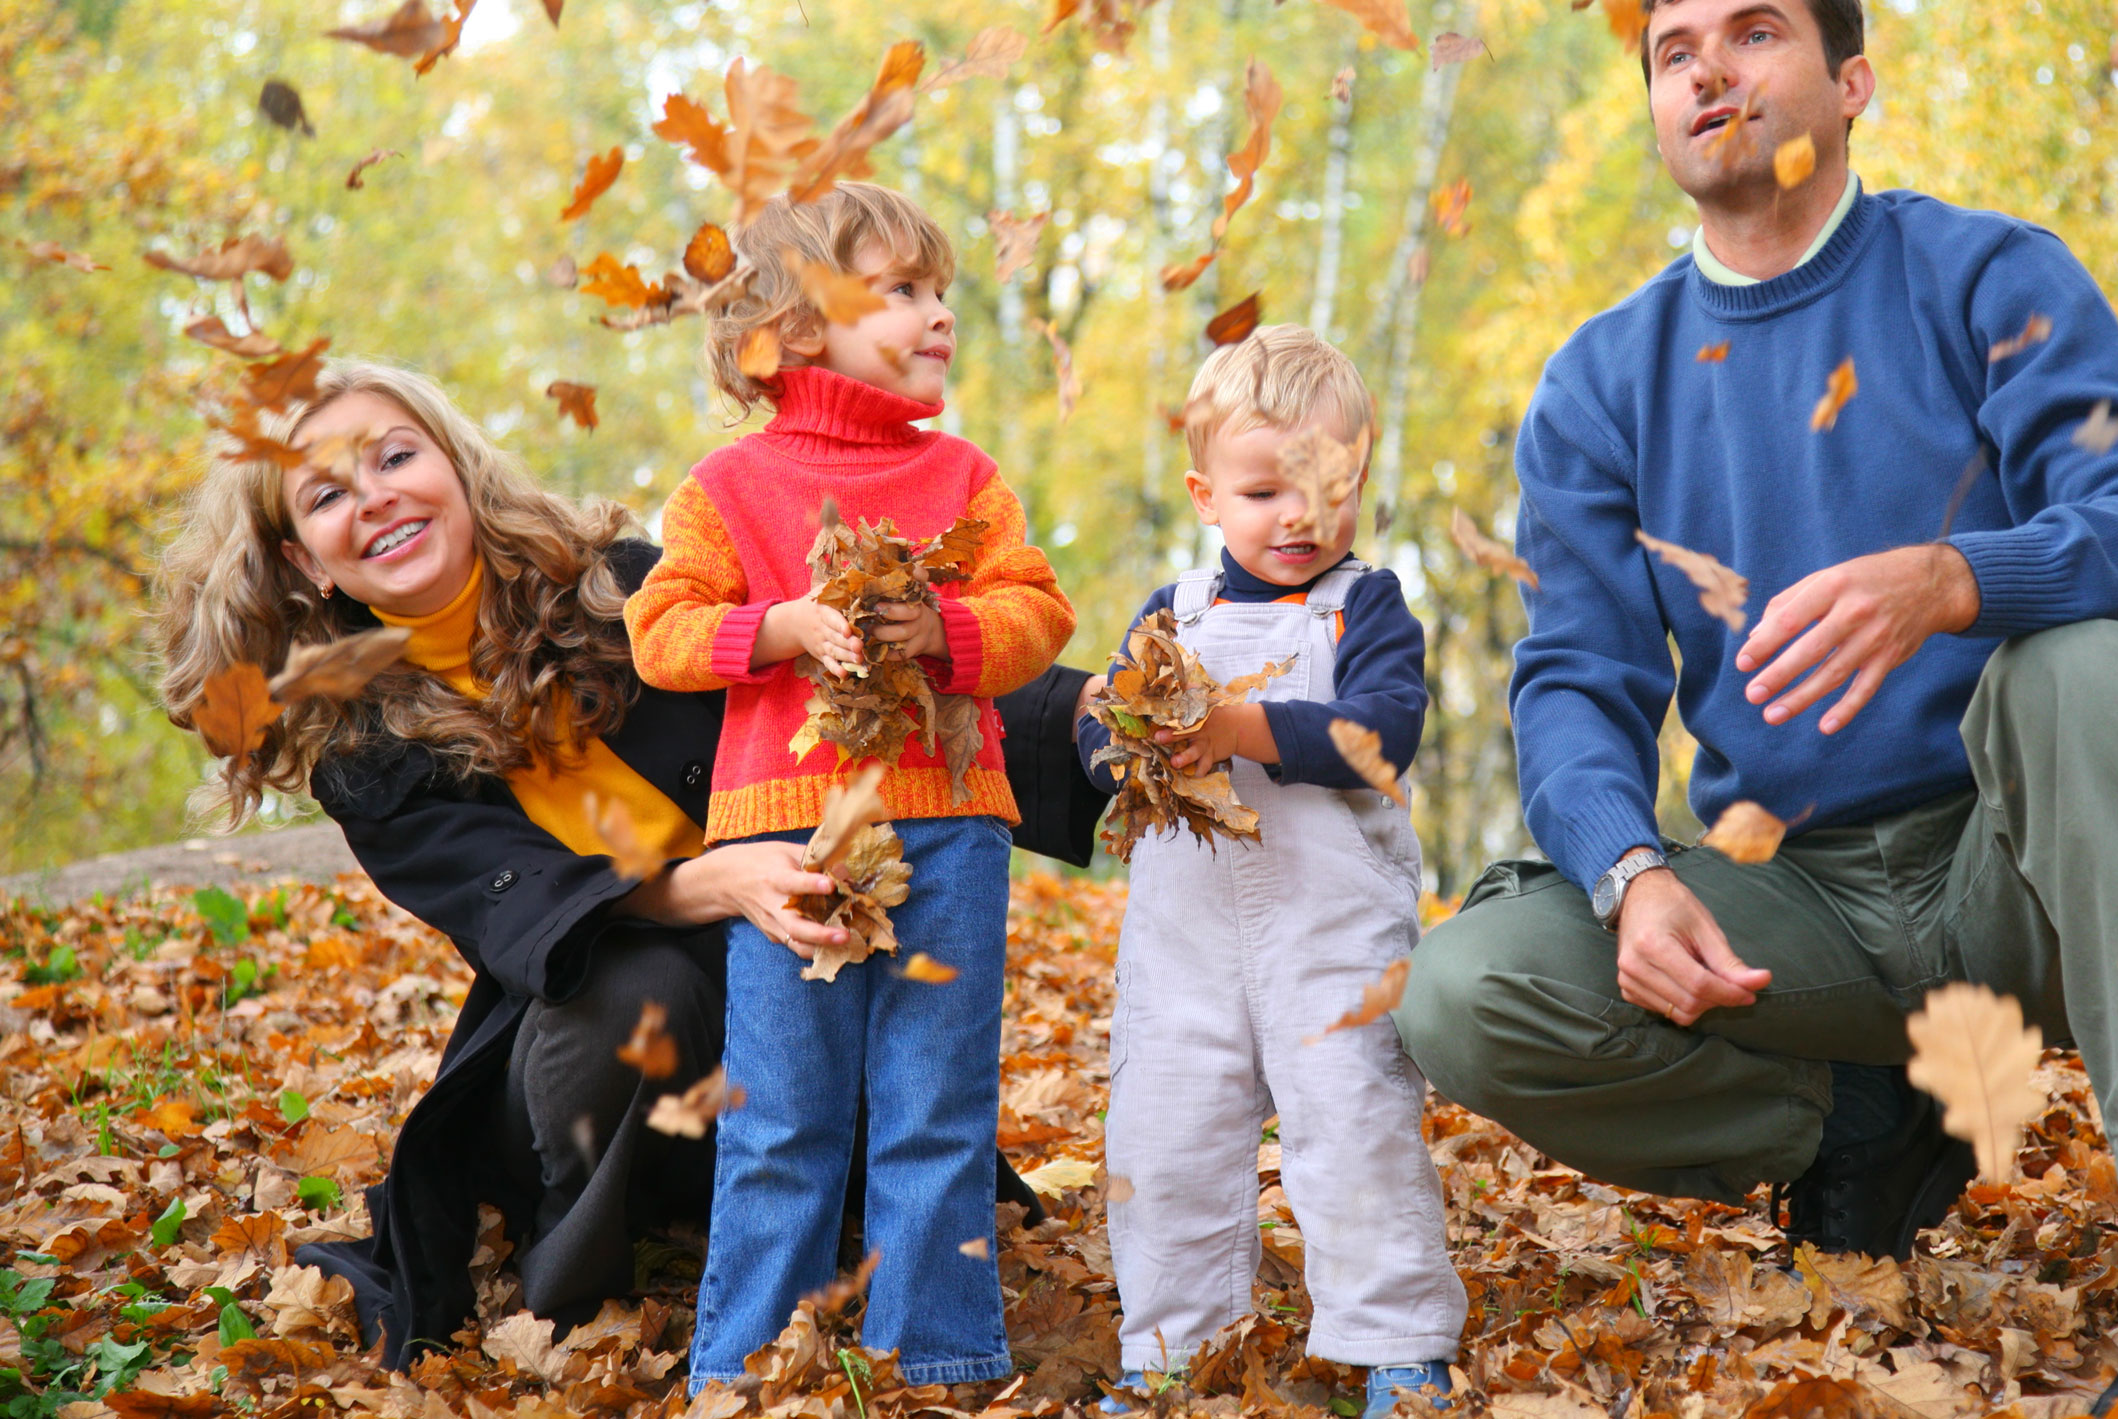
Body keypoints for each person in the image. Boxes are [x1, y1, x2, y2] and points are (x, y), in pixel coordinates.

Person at [1393, 0, 2118, 1416]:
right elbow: (1573, 680)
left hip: (2023, 860)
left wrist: (1956, 577)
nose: (1708, 68)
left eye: (1754, 32)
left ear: (1852, 81)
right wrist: (1629, 873)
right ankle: (1857, 1121)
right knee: (1463, 986)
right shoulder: (1601, 382)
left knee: (2082, 661)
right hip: (1796, 901)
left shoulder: (1988, 275)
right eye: (1673, 52)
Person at [152, 358, 1105, 1369]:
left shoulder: (622, 585)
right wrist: (724, 879)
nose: (376, 496)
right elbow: (527, 909)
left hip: (799, 962)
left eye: (395, 457)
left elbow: (841, 662)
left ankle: (855, 1222)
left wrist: (1082, 708)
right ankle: (589, 1269)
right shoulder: (364, 750)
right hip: (592, 1050)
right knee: (633, 986)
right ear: (305, 561)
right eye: (328, 495)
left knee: (853, 992)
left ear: (455, 467)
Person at [626, 185, 1075, 1392]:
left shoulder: (964, 477)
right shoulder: (726, 487)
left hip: (951, 827)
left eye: (941, 291)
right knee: (782, 1113)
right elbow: (658, 630)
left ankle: (935, 1353)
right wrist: (774, 627)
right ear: (797, 327)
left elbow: (1039, 610)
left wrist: (947, 630)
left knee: (935, 1104)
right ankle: (747, 1363)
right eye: (901, 291)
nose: (939, 314)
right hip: (793, 847)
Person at [1076, 326, 1466, 1419]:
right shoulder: (1175, 612)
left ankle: (1398, 1342)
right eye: (1263, 492)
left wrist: (1241, 726)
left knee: (1354, 1127)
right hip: (1183, 944)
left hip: (1331, 932)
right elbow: (1102, 728)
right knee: (1166, 1141)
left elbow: (1383, 730)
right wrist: (1125, 750)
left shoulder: (1364, 604)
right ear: (1206, 494)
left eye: (1326, 487)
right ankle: (1171, 1348)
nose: (1298, 516)